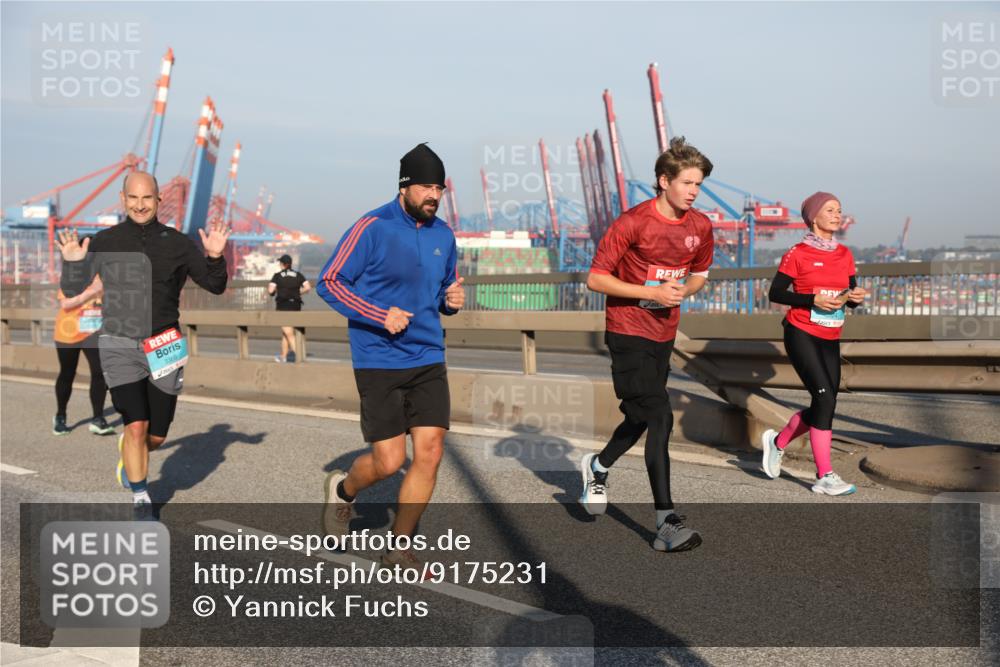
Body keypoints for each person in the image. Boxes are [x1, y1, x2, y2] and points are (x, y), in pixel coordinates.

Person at [317, 143, 464, 571]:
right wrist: (379, 314)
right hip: (379, 358)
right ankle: (344, 492)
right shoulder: (373, 227)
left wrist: (451, 300)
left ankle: (400, 545)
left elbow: (440, 291)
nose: (434, 195)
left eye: (439, 187)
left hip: (427, 355)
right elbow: (329, 281)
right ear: (404, 187)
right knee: (389, 461)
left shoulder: (444, 235)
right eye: (425, 187)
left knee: (431, 450)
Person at [57, 171, 230, 519]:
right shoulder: (104, 241)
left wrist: (213, 256)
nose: (139, 205)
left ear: (157, 200)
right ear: (123, 200)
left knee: (156, 436)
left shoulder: (179, 243)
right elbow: (74, 290)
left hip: (165, 343)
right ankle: (141, 498)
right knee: (135, 425)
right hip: (118, 342)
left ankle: (131, 451)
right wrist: (73, 264)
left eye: (147, 198)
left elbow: (215, 285)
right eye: (133, 198)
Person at [579, 136, 715, 553]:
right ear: (663, 181)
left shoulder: (700, 226)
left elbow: (700, 274)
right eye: (687, 183)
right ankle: (666, 522)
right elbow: (595, 278)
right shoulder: (632, 222)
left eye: (698, 184)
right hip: (627, 331)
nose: (693, 191)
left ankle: (597, 466)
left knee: (640, 415)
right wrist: (650, 292)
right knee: (659, 417)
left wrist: (680, 293)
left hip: (663, 333)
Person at [761, 192, 866, 496]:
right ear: (814, 217)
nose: (837, 215)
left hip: (831, 335)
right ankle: (824, 475)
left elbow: (850, 292)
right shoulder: (797, 253)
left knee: (826, 402)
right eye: (830, 210)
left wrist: (856, 298)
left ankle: (777, 443)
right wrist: (811, 299)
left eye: (839, 210)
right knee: (824, 400)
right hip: (801, 332)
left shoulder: (845, 253)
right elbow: (776, 293)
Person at [52, 274, 115, 436]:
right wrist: (91, 292)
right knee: (68, 373)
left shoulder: (106, 277)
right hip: (68, 332)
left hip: (93, 331)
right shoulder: (71, 276)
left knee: (100, 372)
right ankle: (60, 416)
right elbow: (65, 304)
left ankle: (98, 419)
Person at [268, 253, 311, 362]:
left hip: (283, 306)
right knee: (286, 332)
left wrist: (277, 291)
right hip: (296, 305)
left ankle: (299, 356)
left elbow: (270, 290)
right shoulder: (298, 275)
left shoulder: (277, 276)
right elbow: (308, 287)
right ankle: (283, 356)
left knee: (288, 332)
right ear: (290, 264)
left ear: (282, 264)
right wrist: (297, 292)